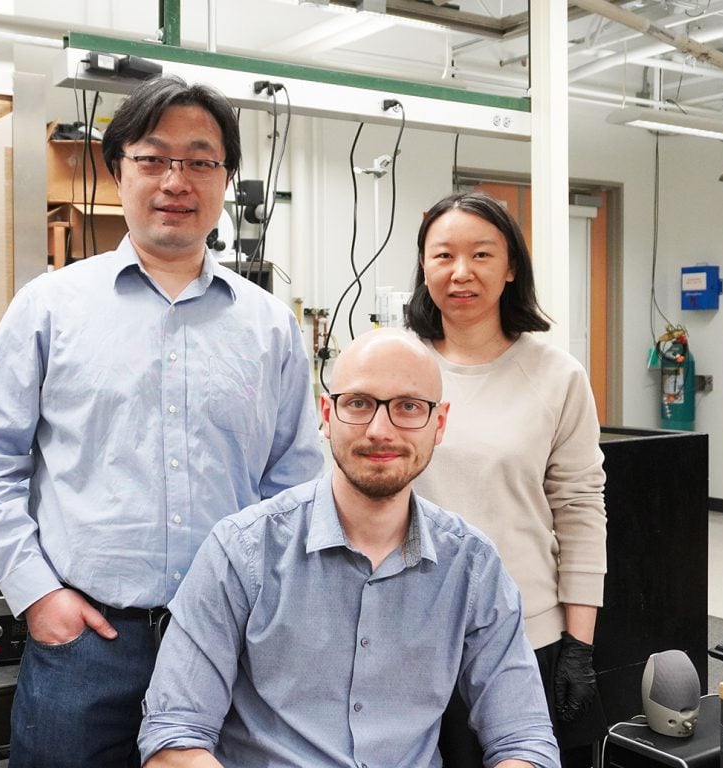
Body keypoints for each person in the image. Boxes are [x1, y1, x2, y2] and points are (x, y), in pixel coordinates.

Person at [0, 74, 323, 767]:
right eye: (152, 159)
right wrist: (38, 597)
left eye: (199, 160)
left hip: (229, 643)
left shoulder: (270, 327)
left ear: (226, 178)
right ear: (117, 170)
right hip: (87, 647)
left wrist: (267, 610)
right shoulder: (50, 307)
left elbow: (294, 485)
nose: (175, 180)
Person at [138, 328, 561, 768]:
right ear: (326, 414)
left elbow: (525, 740)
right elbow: (173, 739)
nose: (380, 430)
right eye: (359, 404)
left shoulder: (472, 567)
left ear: (439, 424)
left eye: (409, 407)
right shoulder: (242, 551)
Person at [404, 191, 608, 767]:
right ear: (424, 266)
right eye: (443, 255)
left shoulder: (556, 375)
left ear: (511, 266)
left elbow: (579, 507)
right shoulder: (397, 365)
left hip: (527, 636)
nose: (461, 272)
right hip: (409, 637)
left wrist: (579, 645)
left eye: (482, 255)